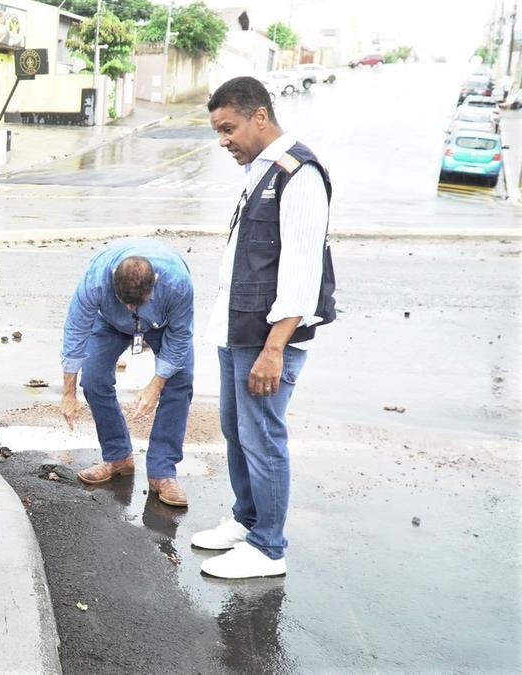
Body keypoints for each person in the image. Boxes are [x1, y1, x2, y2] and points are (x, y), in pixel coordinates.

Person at [191, 76, 336, 579]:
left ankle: (268, 547)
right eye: (218, 131)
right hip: (238, 331)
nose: (223, 140)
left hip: (267, 338)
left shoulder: (299, 174)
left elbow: (301, 270)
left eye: (229, 128)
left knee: (262, 437)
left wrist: (275, 348)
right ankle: (247, 520)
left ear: (259, 116)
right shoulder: (262, 170)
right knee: (236, 430)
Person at [60, 238, 195, 507]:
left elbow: (180, 337)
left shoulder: (177, 284)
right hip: (110, 323)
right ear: (112, 280)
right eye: (126, 302)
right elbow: (76, 331)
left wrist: (155, 385)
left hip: (164, 325)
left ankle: (162, 472)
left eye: (137, 303)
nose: (132, 309)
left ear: (155, 280)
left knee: (180, 382)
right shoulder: (96, 279)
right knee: (95, 379)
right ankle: (118, 456)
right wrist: (68, 393)